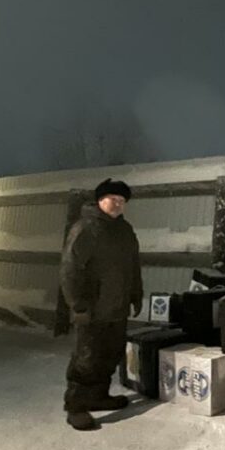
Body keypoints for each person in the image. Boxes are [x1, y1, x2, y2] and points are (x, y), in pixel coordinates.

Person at [60, 178, 143, 431]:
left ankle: (98, 396)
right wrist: (78, 306)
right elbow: (70, 270)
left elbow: (133, 266)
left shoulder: (125, 230)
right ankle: (76, 407)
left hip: (116, 308)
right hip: (92, 310)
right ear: (100, 200)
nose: (118, 204)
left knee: (110, 354)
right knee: (86, 358)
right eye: (113, 199)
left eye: (122, 201)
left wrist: (136, 294)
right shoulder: (85, 229)